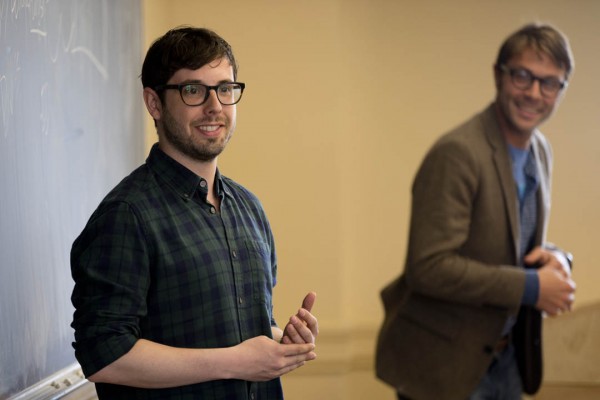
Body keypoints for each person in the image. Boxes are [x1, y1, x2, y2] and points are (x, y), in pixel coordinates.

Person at [70, 26, 318, 400]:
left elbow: (248, 330)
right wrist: (235, 361)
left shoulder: (249, 208)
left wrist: (282, 342)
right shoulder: (126, 216)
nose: (215, 106)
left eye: (225, 89)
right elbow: (105, 356)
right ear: (154, 103)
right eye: (193, 90)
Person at [375, 23, 576, 400]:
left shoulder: (541, 149)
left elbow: (507, 239)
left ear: (561, 90)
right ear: (498, 74)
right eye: (522, 76)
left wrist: (557, 259)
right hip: (445, 366)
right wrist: (533, 287)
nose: (534, 93)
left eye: (549, 83)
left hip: (508, 357)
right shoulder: (458, 153)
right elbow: (429, 267)